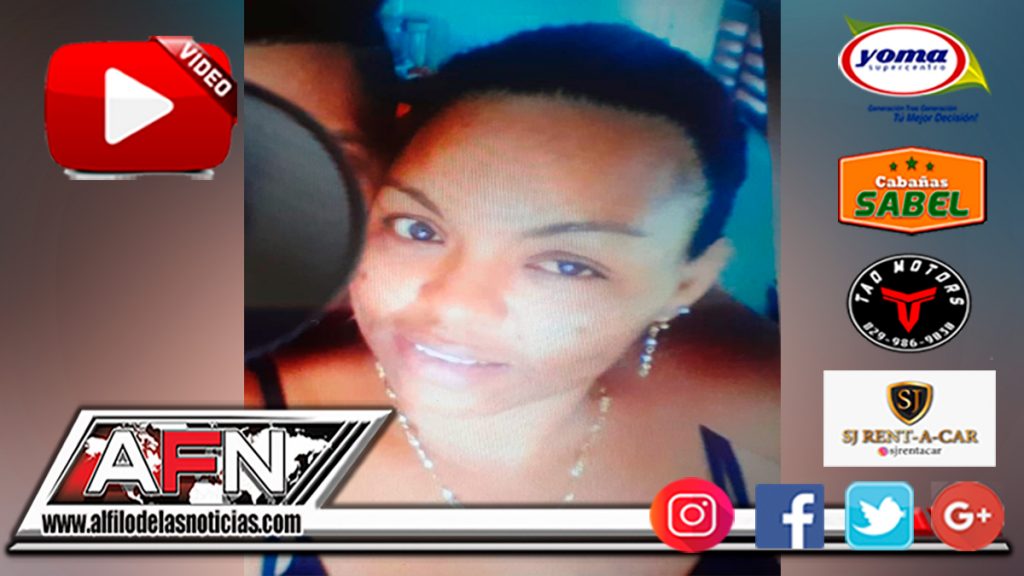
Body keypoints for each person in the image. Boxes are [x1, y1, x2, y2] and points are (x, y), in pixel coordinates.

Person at [247, 23, 779, 575]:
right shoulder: (242, 435)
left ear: (688, 284)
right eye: (418, 229)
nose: (456, 305)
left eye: (567, 265)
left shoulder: (767, 449)